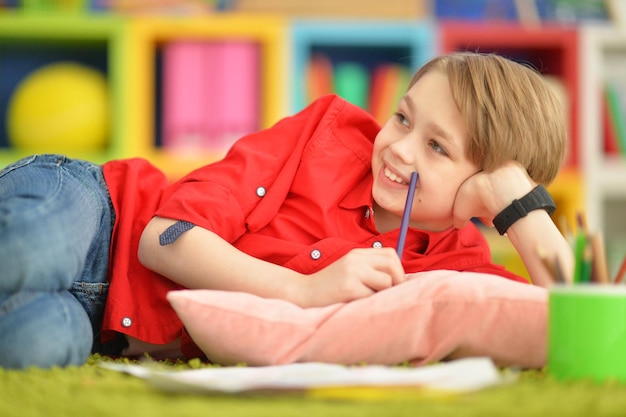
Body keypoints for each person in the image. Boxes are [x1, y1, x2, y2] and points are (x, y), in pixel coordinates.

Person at [0, 52, 573, 370]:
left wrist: (517, 203)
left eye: (437, 146)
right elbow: (164, 238)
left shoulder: (456, 269)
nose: (398, 148)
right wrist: (304, 291)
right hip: (103, 215)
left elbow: (571, 319)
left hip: (107, 326)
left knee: (28, 350)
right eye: (403, 118)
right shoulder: (329, 134)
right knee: (27, 249)